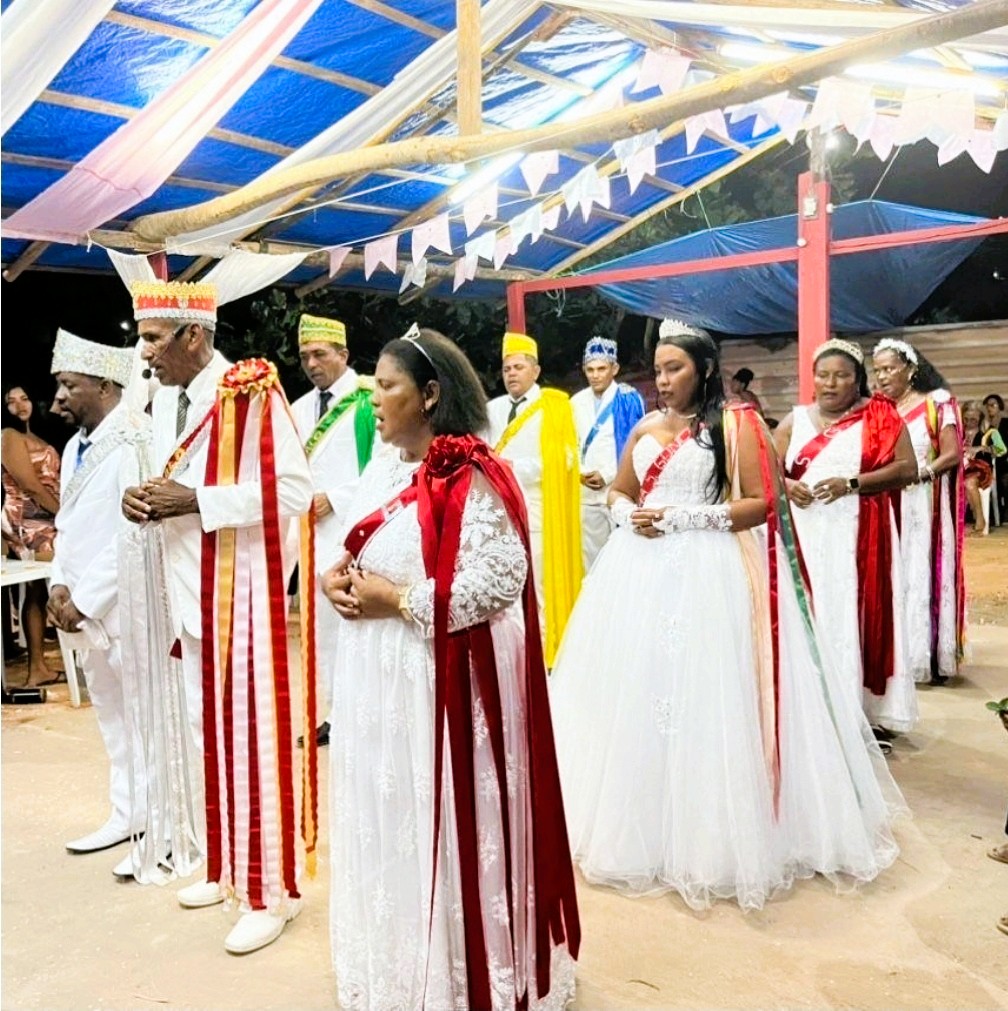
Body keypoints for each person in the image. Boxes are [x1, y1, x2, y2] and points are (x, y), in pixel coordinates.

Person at [549, 322, 904, 910]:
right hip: (635, 573)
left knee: (706, 697)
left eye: (675, 369)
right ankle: (635, 817)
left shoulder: (734, 424)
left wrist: (683, 519)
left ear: (704, 369)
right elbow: (618, 489)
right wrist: (626, 514)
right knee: (635, 692)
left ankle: (708, 829)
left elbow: (759, 504)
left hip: (707, 572)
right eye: (658, 370)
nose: (663, 381)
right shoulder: (643, 423)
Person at [322, 325, 579, 1009]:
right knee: (391, 822)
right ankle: (404, 968)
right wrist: (337, 579)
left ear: (431, 394)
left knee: (446, 828)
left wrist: (398, 600)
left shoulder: (475, 472)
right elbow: (356, 547)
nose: (373, 398)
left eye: (386, 385)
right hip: (379, 682)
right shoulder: (381, 465)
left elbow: (501, 577)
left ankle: (467, 975)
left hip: (440, 686)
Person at [121, 281, 314, 955]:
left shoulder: (252, 391)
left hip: (242, 598)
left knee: (256, 742)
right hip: (188, 599)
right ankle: (230, 869)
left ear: (194, 336)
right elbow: (177, 488)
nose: (144, 356)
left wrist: (192, 501)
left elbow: (295, 489)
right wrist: (146, 501)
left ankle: (274, 893)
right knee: (211, 741)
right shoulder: (165, 400)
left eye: (152, 339)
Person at [776, 338, 918, 738]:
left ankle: (856, 707)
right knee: (811, 611)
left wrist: (852, 483)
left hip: (859, 534)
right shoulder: (795, 420)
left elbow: (906, 468)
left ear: (858, 381)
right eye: (823, 375)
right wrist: (787, 484)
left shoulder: (882, 418)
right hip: (805, 534)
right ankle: (811, 704)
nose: (831, 383)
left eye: (841, 376)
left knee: (851, 612)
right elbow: (765, 466)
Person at [45, 330, 148, 856]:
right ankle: (127, 813)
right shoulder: (72, 447)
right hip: (82, 607)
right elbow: (67, 526)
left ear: (106, 385)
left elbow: (130, 533)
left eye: (69, 385)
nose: (58, 398)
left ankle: (161, 821)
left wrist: (86, 599)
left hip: (123, 607)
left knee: (143, 713)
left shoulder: (134, 442)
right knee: (109, 711)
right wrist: (60, 583)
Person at [289, 313, 377, 749]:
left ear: (343, 354)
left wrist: (337, 497)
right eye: (305, 355)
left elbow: (387, 464)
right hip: (309, 533)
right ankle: (330, 714)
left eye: (320, 354)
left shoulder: (369, 398)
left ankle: (358, 715)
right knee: (318, 628)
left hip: (354, 529)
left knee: (354, 624)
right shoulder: (300, 406)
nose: (311, 363)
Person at [872, 339, 966, 686]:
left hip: (922, 501)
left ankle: (921, 656)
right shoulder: (879, 410)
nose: (882, 376)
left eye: (889, 368)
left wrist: (921, 474)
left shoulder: (936, 403)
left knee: (918, 570)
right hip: (887, 500)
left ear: (910, 369)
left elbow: (953, 454)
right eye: (877, 370)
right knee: (891, 573)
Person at [486, 331, 582, 665]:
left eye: (518, 367)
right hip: (498, 515)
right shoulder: (491, 409)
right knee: (500, 589)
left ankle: (543, 663)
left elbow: (567, 459)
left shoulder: (556, 407)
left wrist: (513, 469)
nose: (511, 373)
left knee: (537, 590)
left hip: (539, 514)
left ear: (535, 371)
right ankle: (509, 660)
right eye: (506, 368)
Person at [2, 384, 61, 687]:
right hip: (28, 518)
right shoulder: (8, 436)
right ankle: (37, 665)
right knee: (54, 577)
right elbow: (30, 485)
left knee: (38, 589)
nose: (19, 405)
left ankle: (38, 667)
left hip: (45, 515)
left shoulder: (34, 436)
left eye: (24, 397)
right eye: (10, 401)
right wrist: (64, 514)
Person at [571, 336, 645, 571]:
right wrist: (581, 473)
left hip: (619, 490)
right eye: (590, 369)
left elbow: (637, 447)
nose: (595, 375)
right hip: (586, 493)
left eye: (601, 369)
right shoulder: (575, 402)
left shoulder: (628, 399)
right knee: (590, 560)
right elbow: (569, 443)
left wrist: (607, 474)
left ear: (614, 369)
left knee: (625, 558)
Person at [962, 401, 1006, 535]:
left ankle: (980, 520)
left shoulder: (989, 432)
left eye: (973, 420)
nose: (969, 422)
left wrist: (982, 448)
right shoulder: (957, 433)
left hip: (981, 469)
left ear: (980, 419)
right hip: (961, 469)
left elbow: (1002, 450)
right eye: (966, 419)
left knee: (969, 483)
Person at [982, 393, 1008, 521]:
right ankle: (996, 515)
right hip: (994, 464)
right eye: (987, 406)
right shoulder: (989, 428)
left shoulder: (1006, 423)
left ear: (999, 407)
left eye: (993, 405)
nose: (989, 408)